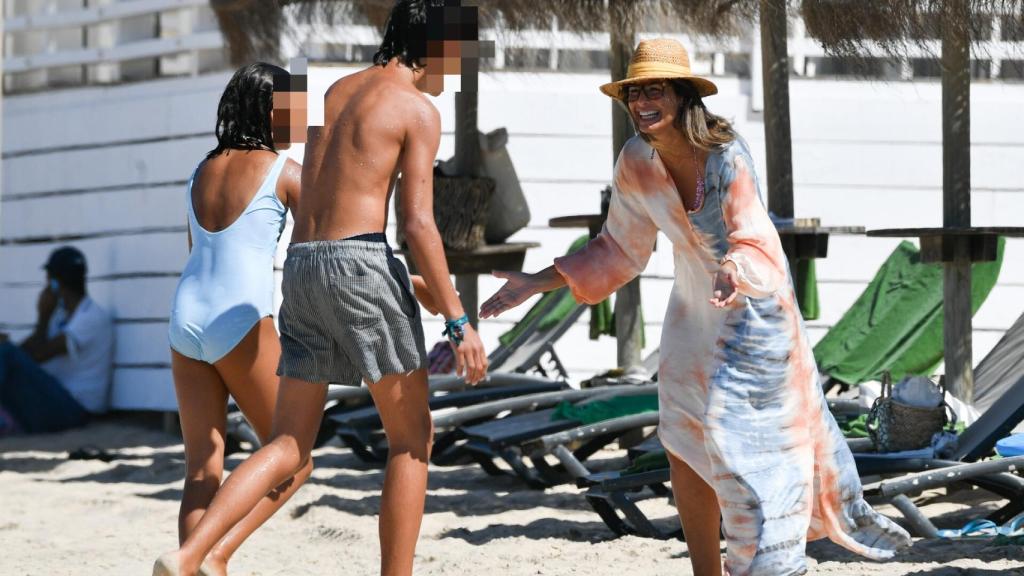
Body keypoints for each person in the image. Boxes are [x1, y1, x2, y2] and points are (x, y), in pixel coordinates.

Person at [480, 38, 911, 576]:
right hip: (694, 310)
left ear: (684, 95)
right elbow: (618, 247)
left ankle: (770, 566)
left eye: (654, 89)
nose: (641, 101)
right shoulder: (636, 160)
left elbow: (754, 236)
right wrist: (536, 282)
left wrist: (733, 267)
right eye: (634, 92)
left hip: (755, 314)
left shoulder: (726, 153)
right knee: (683, 439)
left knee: (748, 445)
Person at [155, 1, 487, 575]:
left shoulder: (333, 93)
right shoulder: (417, 109)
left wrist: (395, 280)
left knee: (287, 442)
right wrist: (459, 320)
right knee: (411, 440)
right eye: (456, 53)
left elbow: (327, 212)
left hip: (302, 269)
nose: (455, 69)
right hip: (357, 264)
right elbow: (417, 224)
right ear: (432, 45)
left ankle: (191, 557)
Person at [159, 62, 309, 576]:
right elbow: (320, 251)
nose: (301, 118)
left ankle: (187, 562)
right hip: (240, 317)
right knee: (295, 455)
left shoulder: (200, 171)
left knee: (202, 468)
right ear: (270, 111)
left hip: (185, 317)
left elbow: (195, 248)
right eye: (294, 108)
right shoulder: (284, 172)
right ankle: (209, 556)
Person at [0, 246, 113, 435]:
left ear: (55, 282)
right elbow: (25, 354)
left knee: (6, 353)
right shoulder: (61, 315)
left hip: (74, 410)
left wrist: (42, 317)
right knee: (5, 354)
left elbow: (37, 356)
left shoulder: (91, 317)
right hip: (55, 401)